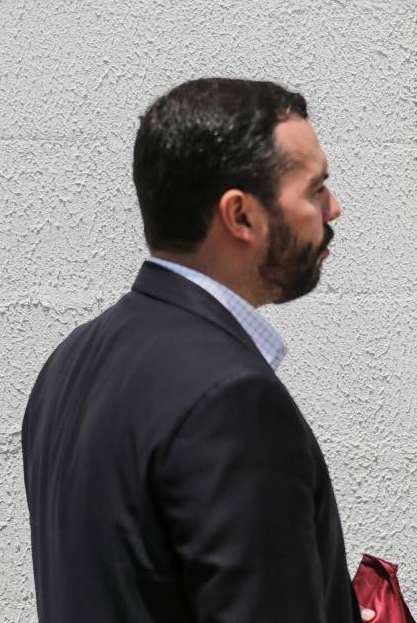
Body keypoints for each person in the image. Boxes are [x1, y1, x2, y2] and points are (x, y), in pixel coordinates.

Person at [23, 78, 374, 622]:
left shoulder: (70, 361)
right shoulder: (231, 399)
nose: (334, 208)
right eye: (314, 189)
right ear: (240, 216)